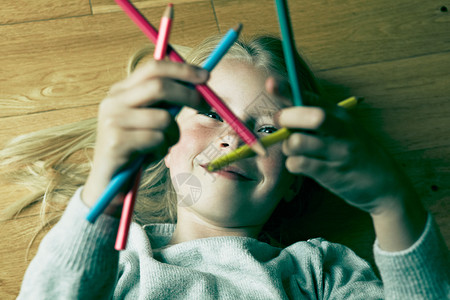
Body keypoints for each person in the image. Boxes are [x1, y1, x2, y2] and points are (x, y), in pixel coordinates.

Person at [2, 34, 448, 299]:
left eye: (269, 130)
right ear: (166, 144)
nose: (235, 137)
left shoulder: (321, 273)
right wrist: (107, 185)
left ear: (296, 179)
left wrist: (393, 205)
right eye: (213, 113)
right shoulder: (113, 261)